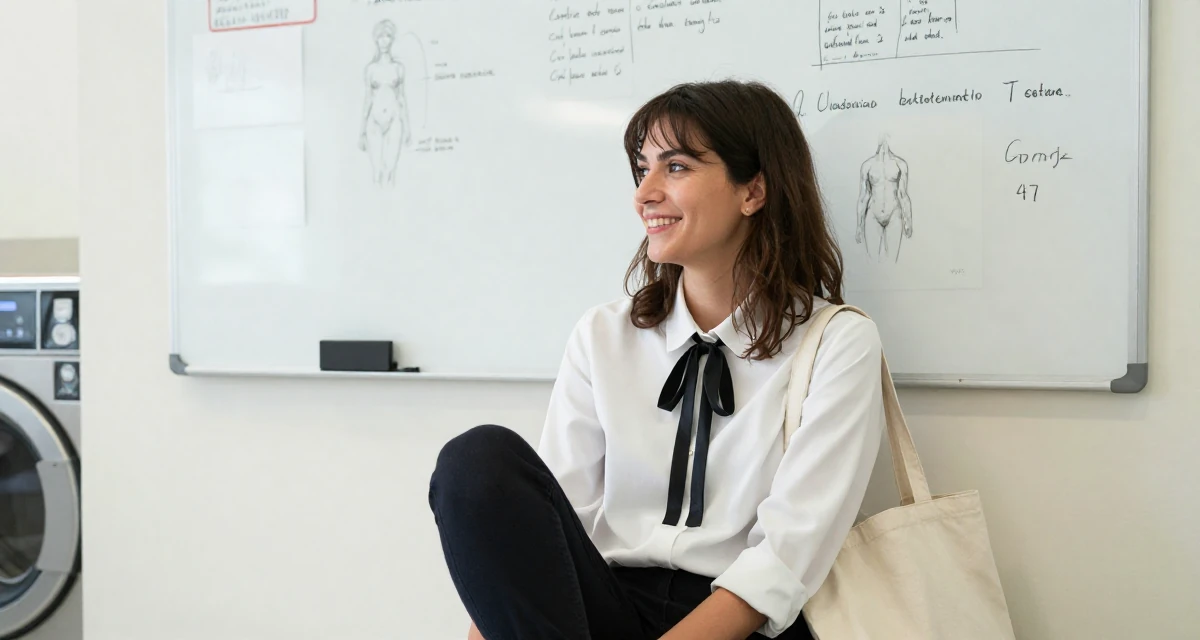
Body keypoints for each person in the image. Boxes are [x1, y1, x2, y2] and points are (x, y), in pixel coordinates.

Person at [428, 80, 886, 640]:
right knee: (476, 462)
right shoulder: (603, 335)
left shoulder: (838, 343)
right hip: (605, 607)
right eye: (641, 168)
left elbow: (785, 560)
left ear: (754, 191)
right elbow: (549, 525)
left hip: (741, 622)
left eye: (675, 167)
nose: (644, 193)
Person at [359, 19, 411, 186]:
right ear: (376, 40)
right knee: (376, 173)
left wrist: (408, 126)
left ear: (392, 39)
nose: (384, 41)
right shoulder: (370, 69)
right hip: (373, 122)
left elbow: (402, 98)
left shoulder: (399, 68)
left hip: (394, 120)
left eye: (387, 36)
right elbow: (367, 99)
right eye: (380, 37)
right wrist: (361, 132)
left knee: (390, 172)